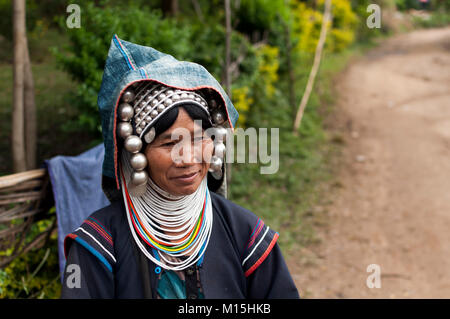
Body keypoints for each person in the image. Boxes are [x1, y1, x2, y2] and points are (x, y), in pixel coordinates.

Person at [61, 35, 299, 299]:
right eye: (168, 143)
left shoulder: (245, 233)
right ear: (136, 152)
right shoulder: (99, 244)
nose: (187, 158)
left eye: (198, 138)